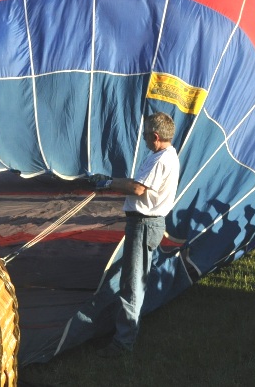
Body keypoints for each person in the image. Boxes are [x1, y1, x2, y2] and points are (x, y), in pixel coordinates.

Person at [93, 111, 180, 358]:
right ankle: (124, 334)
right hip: (150, 224)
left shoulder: (160, 159)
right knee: (134, 280)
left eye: (144, 136)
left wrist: (107, 183)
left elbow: (138, 188)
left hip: (144, 224)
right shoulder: (168, 155)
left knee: (132, 285)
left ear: (155, 136)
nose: (142, 139)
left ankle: (123, 343)